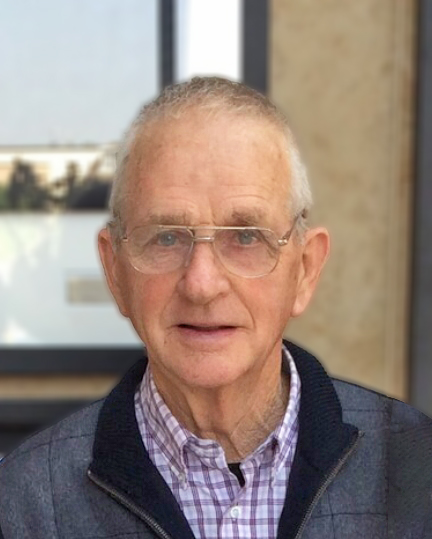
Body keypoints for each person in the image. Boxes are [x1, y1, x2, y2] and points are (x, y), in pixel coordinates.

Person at [0, 77, 431, 539]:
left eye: (245, 236)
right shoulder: (22, 504)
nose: (202, 285)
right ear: (115, 270)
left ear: (305, 269)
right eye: (167, 237)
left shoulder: (417, 470)